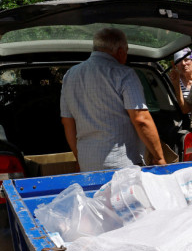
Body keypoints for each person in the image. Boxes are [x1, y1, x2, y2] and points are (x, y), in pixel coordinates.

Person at [60, 27, 165, 172]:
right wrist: (159, 158)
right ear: (121, 51)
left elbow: (67, 122)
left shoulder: (69, 76)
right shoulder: (125, 74)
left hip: (87, 163)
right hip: (122, 165)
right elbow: (141, 119)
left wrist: (79, 158)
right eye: (126, 52)